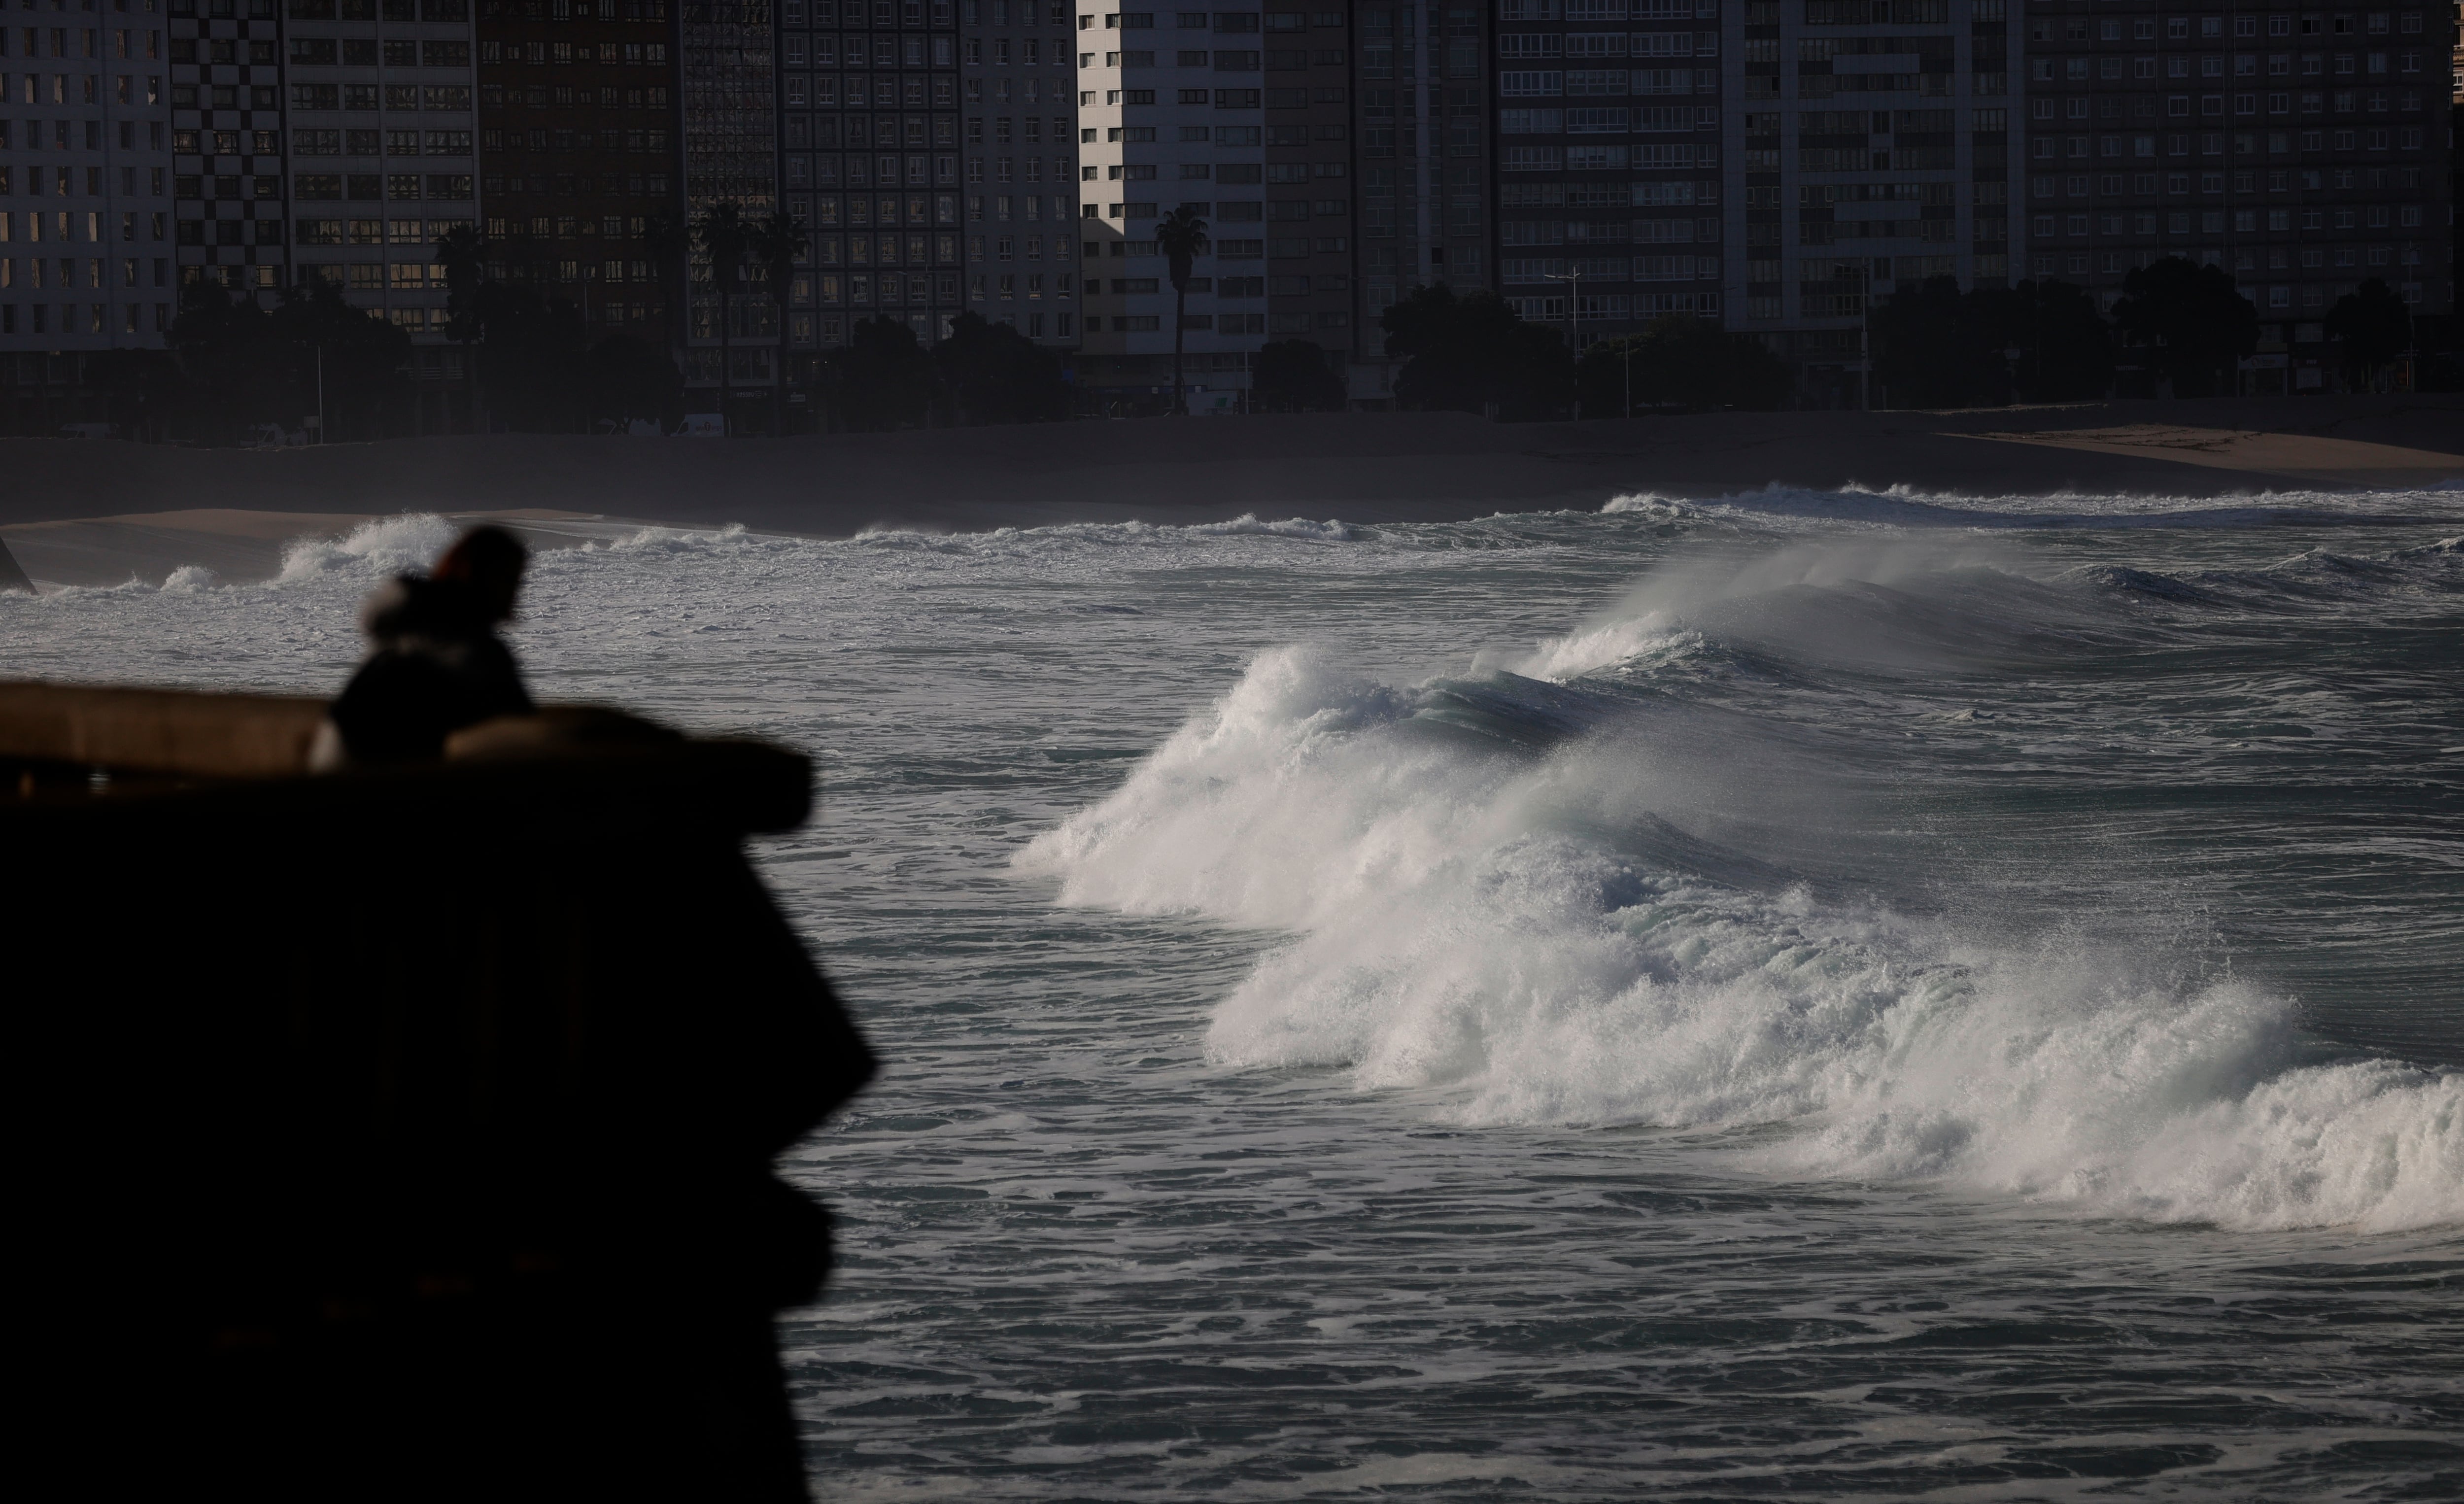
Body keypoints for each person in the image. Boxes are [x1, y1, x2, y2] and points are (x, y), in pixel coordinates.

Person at [321, 526, 535, 766]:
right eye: (512, 579)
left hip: (331, 750)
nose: (516, 592)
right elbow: (521, 721)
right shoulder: (472, 644)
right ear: (487, 578)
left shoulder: (405, 617)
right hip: (372, 771)